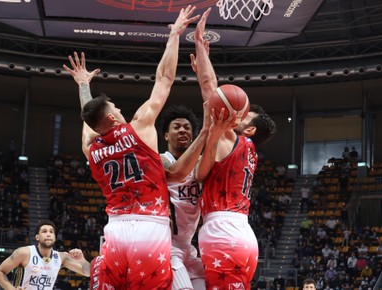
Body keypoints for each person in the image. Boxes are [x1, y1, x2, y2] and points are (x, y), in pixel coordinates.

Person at [63, 6, 201, 289]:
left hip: (115, 231)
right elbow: (164, 80)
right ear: (113, 117)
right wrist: (174, 35)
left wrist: (83, 86)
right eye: (116, 107)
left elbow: (90, 119)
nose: (120, 109)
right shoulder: (139, 127)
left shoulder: (93, 149)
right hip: (149, 227)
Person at [192, 8, 276, 289]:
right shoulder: (248, 149)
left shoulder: (232, 137)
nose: (237, 114)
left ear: (249, 129)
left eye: (244, 115)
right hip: (241, 232)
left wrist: (199, 45)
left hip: (223, 231)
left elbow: (209, 88)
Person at [159, 104, 209, 290]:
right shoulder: (161, 160)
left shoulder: (199, 165)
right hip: (167, 245)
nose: (182, 130)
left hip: (188, 247)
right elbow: (176, 171)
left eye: (187, 128)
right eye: (177, 127)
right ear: (166, 136)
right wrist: (205, 133)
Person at [0, 220, 90, 289]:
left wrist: (82, 260)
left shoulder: (61, 257)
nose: (48, 234)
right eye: (44, 231)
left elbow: (88, 273)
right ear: (37, 237)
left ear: (55, 238)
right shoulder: (24, 253)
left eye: (51, 232)